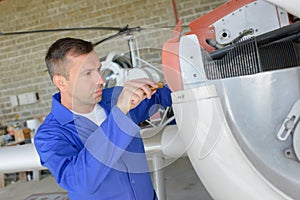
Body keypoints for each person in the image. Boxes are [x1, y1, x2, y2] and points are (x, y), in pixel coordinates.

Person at [34, 37, 172, 200]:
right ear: (61, 82)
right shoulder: (49, 135)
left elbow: (163, 96)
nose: (100, 80)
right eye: (87, 73)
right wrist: (119, 114)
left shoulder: (116, 98)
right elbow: (81, 182)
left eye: (98, 70)